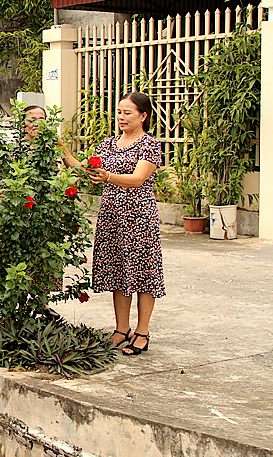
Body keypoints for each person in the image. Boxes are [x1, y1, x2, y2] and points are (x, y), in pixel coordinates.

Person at [66, 92, 163, 356]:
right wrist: (63, 150)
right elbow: (86, 169)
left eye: (128, 113)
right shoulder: (108, 145)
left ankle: (142, 332)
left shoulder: (149, 145)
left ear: (144, 116)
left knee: (144, 275)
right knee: (119, 273)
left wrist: (108, 176)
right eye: (119, 112)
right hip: (111, 217)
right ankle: (122, 329)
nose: (121, 117)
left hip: (139, 217)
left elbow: (137, 179)